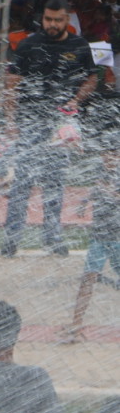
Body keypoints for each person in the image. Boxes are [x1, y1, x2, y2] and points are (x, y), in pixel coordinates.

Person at [1, 0, 100, 257]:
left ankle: (53, 238)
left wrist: (75, 100)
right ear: (42, 18)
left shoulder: (79, 46)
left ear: (67, 19)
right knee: (22, 182)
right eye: (48, 19)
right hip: (29, 121)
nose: (52, 24)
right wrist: (11, 122)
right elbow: (11, 84)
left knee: (55, 182)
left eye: (57, 20)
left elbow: (92, 78)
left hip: (60, 124)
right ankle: (11, 239)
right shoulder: (28, 45)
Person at [61, 131, 120, 342]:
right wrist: (85, 202)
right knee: (88, 279)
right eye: (106, 154)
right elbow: (97, 191)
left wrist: (109, 192)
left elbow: (110, 195)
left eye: (113, 154)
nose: (108, 158)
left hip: (117, 238)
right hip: (99, 236)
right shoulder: (101, 171)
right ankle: (76, 325)